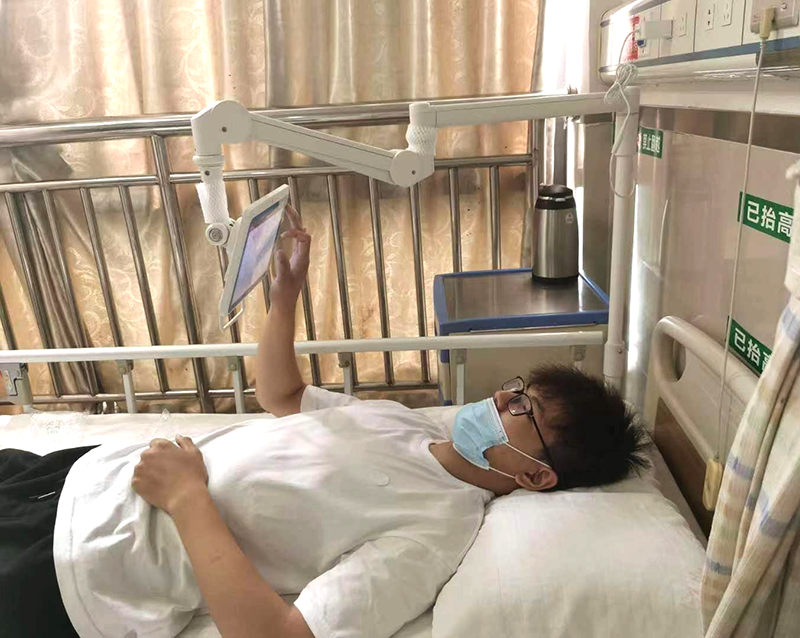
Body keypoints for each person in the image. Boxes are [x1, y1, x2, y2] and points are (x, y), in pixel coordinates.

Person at [0, 205, 650, 638]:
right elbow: (282, 394)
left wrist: (188, 497)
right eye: (515, 390)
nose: (501, 399)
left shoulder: (433, 535)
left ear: (536, 477)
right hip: (80, 475)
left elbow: (280, 635)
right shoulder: (405, 424)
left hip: (86, 566)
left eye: (524, 410)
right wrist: (285, 298)